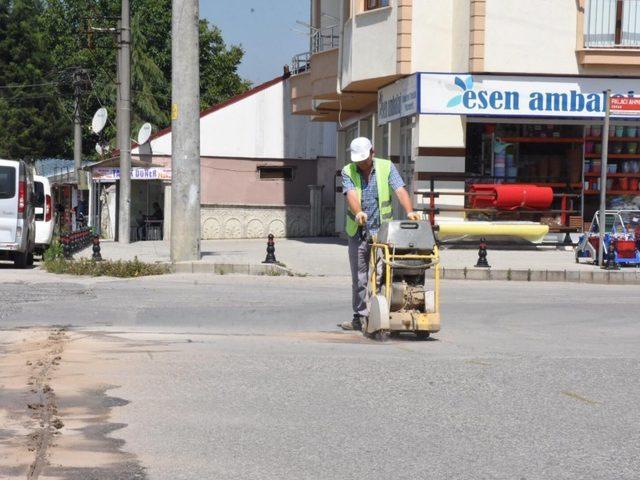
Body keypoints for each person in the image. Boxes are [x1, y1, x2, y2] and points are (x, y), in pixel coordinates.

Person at [340, 137, 421, 331]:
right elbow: (351, 194)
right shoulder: (347, 171)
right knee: (359, 277)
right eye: (358, 160)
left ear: (372, 153)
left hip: (384, 232)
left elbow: (400, 190)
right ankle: (360, 316)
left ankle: (384, 314)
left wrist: (410, 211)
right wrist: (358, 211)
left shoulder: (386, 166)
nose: (361, 163)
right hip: (358, 231)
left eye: (364, 159)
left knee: (383, 274)